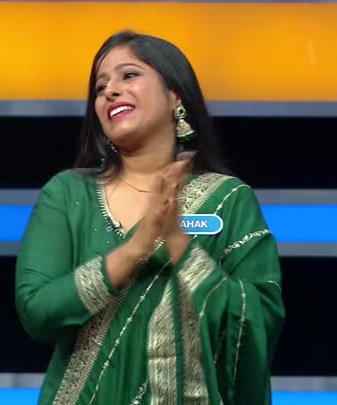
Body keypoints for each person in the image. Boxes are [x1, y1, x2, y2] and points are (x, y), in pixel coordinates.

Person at [15, 30, 285, 405]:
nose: (110, 91)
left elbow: (258, 321)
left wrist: (182, 250)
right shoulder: (68, 193)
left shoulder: (228, 201)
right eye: (100, 87)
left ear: (176, 95)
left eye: (129, 75)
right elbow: (37, 311)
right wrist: (137, 247)